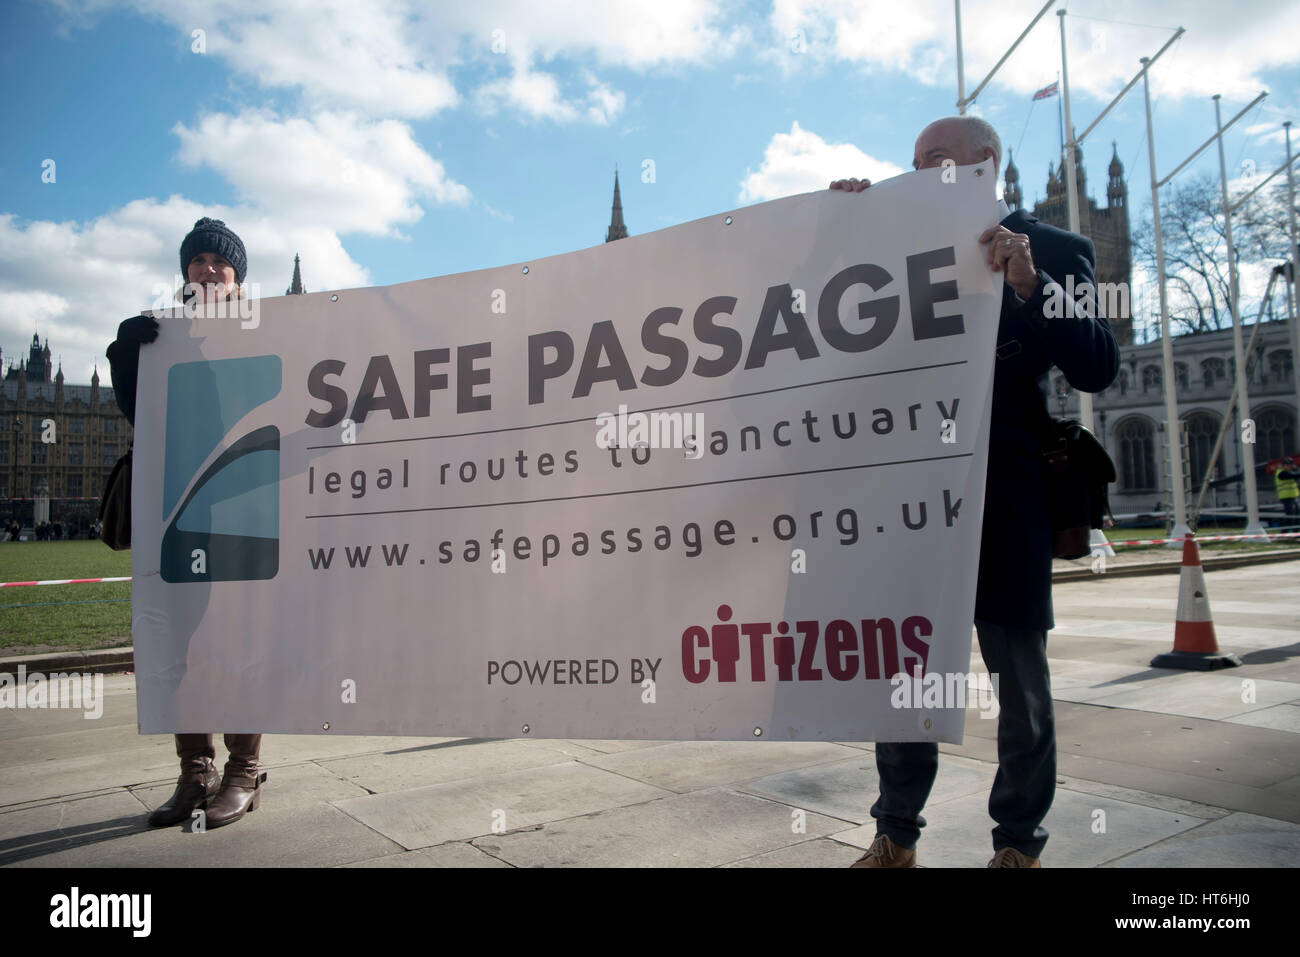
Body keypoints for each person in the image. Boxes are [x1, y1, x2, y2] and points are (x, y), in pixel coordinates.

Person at [830, 116, 1119, 867]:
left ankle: (1018, 844)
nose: (917, 169)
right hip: (909, 492)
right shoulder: (889, 244)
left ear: (984, 162)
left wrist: (1030, 282)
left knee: (1019, 678)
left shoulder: (1057, 251)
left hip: (1007, 493)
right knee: (908, 674)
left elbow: (1095, 365)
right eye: (913, 160)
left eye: (933, 158)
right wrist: (835, 227)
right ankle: (895, 835)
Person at [106, 217, 267, 830]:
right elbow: (136, 414)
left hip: (243, 510)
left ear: (237, 276)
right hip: (175, 511)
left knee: (236, 640)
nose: (207, 270)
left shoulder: (267, 333)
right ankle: (194, 771)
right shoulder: (159, 335)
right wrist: (126, 352)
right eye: (197, 261)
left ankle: (244, 771)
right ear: (184, 272)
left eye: (219, 263)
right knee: (177, 644)